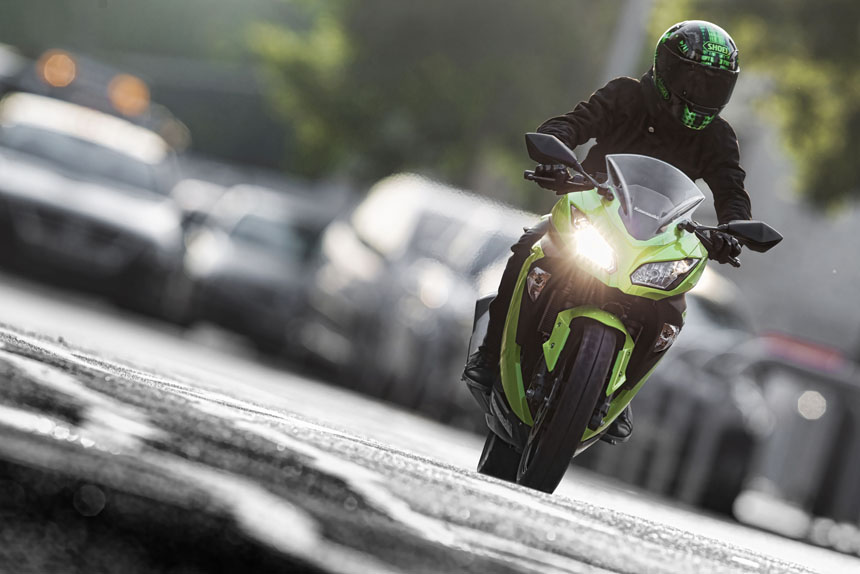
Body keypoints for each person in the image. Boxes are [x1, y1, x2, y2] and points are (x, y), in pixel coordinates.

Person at [463, 20, 751, 443]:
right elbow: (573, 123)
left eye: (713, 84)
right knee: (527, 248)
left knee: (671, 306)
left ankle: (617, 390)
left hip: (659, 237)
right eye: (692, 78)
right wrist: (555, 150)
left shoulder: (718, 136)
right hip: (592, 209)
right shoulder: (625, 95)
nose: (699, 91)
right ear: (666, 68)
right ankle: (490, 354)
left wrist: (733, 230)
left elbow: (732, 191)